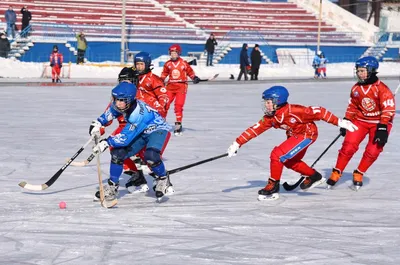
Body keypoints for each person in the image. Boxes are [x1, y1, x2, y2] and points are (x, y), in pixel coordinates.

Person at [226, 86, 359, 200]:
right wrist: (237, 143)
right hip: (294, 136)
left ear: (277, 101)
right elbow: (255, 129)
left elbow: (320, 112)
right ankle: (314, 176)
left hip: (307, 134)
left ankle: (273, 186)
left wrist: (340, 122)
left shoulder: (295, 111)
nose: (266, 105)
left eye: (268, 102)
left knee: (277, 155)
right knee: (288, 161)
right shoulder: (271, 117)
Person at [90, 82, 174, 201]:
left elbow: (124, 138)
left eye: (121, 100)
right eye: (116, 99)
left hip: (158, 130)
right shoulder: (123, 104)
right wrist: (98, 123)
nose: (117, 103)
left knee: (150, 156)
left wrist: (106, 142)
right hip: (142, 132)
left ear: (129, 100)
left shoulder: (137, 114)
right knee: (117, 154)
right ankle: (112, 187)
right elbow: (110, 113)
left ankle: (163, 178)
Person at [326, 56, 395, 190]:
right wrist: (346, 121)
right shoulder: (356, 89)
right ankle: (337, 171)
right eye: (358, 71)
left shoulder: (382, 89)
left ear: (372, 71)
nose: (360, 73)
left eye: (363, 71)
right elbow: (353, 106)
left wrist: (382, 127)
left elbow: (388, 109)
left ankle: (359, 172)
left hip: (379, 123)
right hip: (361, 121)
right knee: (348, 146)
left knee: (373, 150)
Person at [123, 52, 171, 193]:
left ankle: (163, 180)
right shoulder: (135, 79)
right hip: (138, 123)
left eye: (141, 64)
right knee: (129, 150)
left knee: (150, 156)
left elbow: (164, 98)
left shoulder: (153, 79)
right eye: (136, 64)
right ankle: (140, 176)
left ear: (147, 64)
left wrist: (157, 109)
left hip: (153, 124)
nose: (138, 67)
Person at [160, 44, 200, 136]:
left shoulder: (183, 63)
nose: (173, 55)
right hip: (170, 87)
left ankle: (178, 124)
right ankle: (161, 123)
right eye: (172, 53)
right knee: (164, 104)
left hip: (181, 87)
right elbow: (164, 74)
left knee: (178, 106)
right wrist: (161, 80)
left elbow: (190, 72)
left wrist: (194, 78)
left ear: (178, 53)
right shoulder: (168, 64)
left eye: (175, 53)